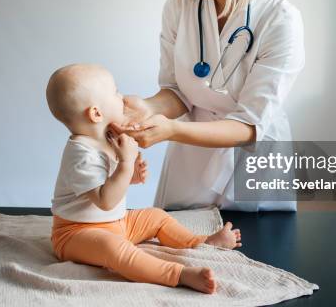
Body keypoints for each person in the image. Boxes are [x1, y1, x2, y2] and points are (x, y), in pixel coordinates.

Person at [113, 0, 305, 211]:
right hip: (192, 162)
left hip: (254, 162)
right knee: (180, 252)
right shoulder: (179, 6)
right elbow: (176, 92)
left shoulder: (279, 19)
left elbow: (248, 125)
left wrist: (173, 130)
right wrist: (147, 108)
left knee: (259, 254)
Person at [46, 64, 241, 294]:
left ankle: (199, 242)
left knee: (156, 216)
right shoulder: (80, 154)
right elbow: (105, 200)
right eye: (115, 92)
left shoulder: (109, 137)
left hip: (116, 223)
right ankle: (178, 274)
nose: (122, 97)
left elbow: (108, 184)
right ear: (96, 113)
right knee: (115, 250)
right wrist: (126, 165)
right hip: (77, 233)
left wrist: (132, 175)